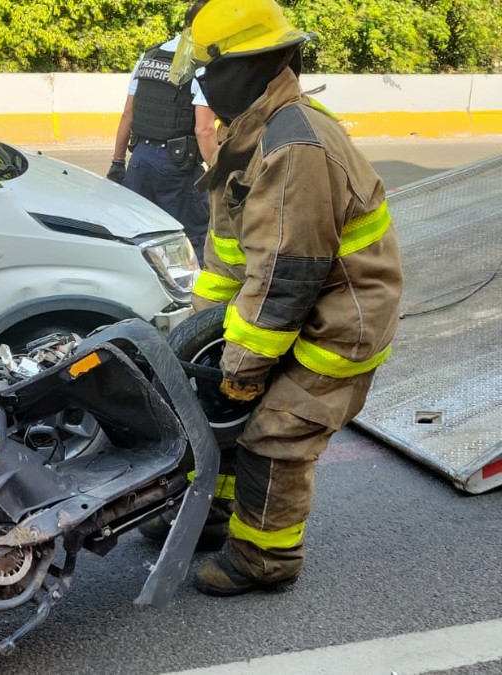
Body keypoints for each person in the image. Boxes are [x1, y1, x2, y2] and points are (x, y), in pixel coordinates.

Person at [166, 0, 403, 596]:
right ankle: (216, 519)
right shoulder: (245, 136)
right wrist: (208, 348)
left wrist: (242, 365)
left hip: (338, 321)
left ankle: (265, 559)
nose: (202, 82)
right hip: (290, 312)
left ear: (254, 65)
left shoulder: (292, 147)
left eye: (210, 69)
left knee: (275, 431)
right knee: (222, 411)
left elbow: (287, 278)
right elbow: (227, 261)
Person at [108, 22, 218, 262]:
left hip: (139, 161)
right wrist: (219, 176)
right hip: (177, 169)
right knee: (194, 239)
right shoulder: (201, 64)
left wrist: (118, 161)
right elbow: (205, 129)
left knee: (138, 238)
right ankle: (192, 298)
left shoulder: (150, 56)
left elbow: (129, 112)